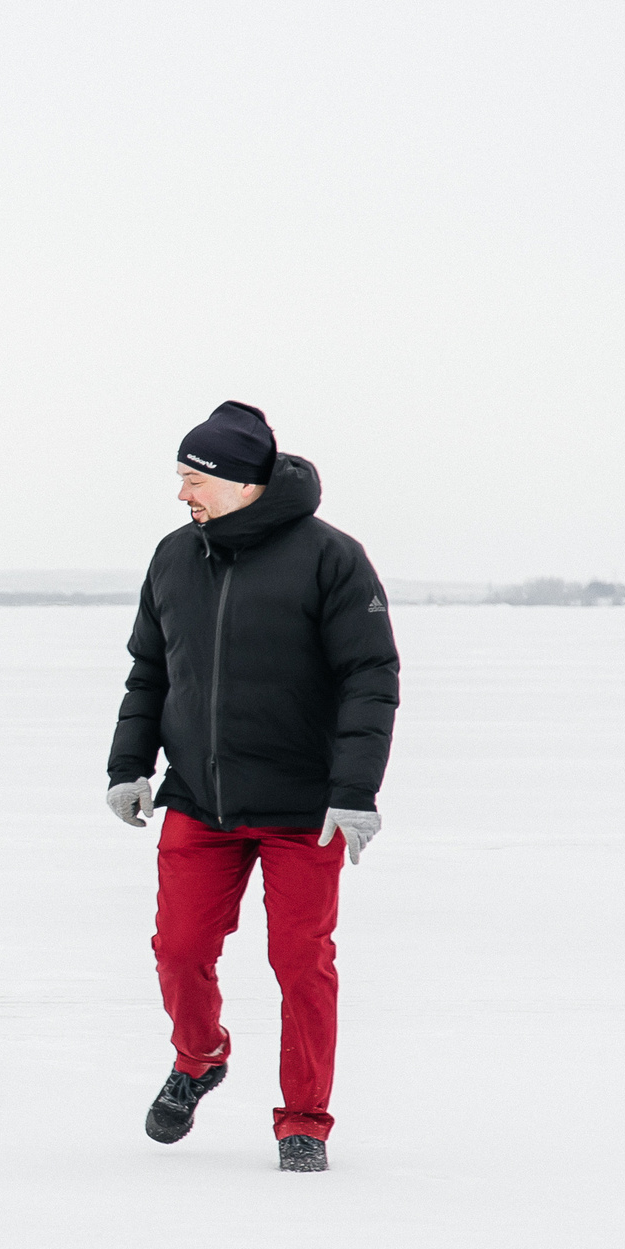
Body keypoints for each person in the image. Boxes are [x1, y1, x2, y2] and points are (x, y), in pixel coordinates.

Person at [105, 401, 398, 1173]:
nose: (181, 494)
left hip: (305, 808)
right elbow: (151, 670)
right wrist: (129, 765)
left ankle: (303, 1118)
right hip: (200, 799)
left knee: (302, 963)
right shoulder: (174, 557)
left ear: (241, 481)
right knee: (179, 948)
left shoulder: (331, 558)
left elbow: (370, 676)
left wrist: (356, 789)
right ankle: (199, 1057)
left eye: (192, 478)